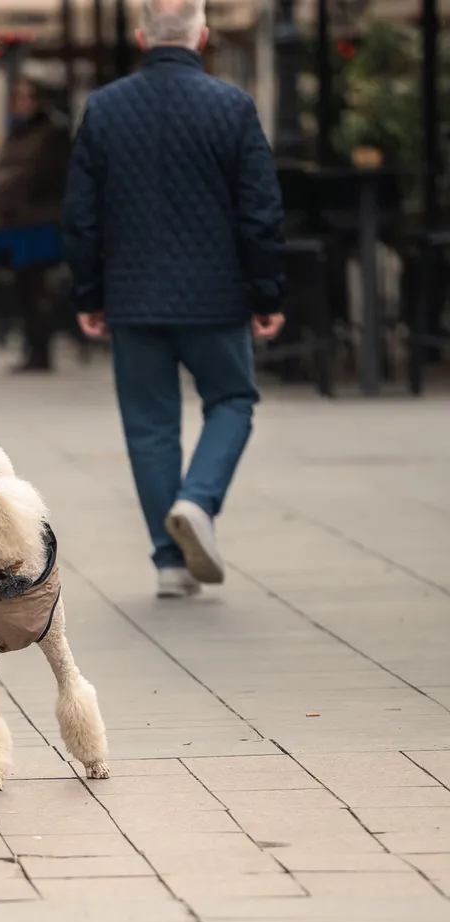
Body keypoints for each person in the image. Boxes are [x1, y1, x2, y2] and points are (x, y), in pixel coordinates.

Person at [62, 0, 286, 598]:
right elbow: (260, 213)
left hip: (132, 298)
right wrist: (267, 290)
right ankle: (197, 500)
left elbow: (81, 216)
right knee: (233, 399)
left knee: (149, 427)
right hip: (216, 296)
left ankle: (168, 562)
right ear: (203, 36)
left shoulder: (104, 109)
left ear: (140, 36)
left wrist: (88, 291)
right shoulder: (233, 107)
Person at [0, 70, 71, 373]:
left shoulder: (51, 132)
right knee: (22, 287)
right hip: (15, 221)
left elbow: (31, 174)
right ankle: (33, 347)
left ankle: (40, 349)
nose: (18, 102)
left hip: (38, 220)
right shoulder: (17, 132)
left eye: (25, 96)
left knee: (37, 287)